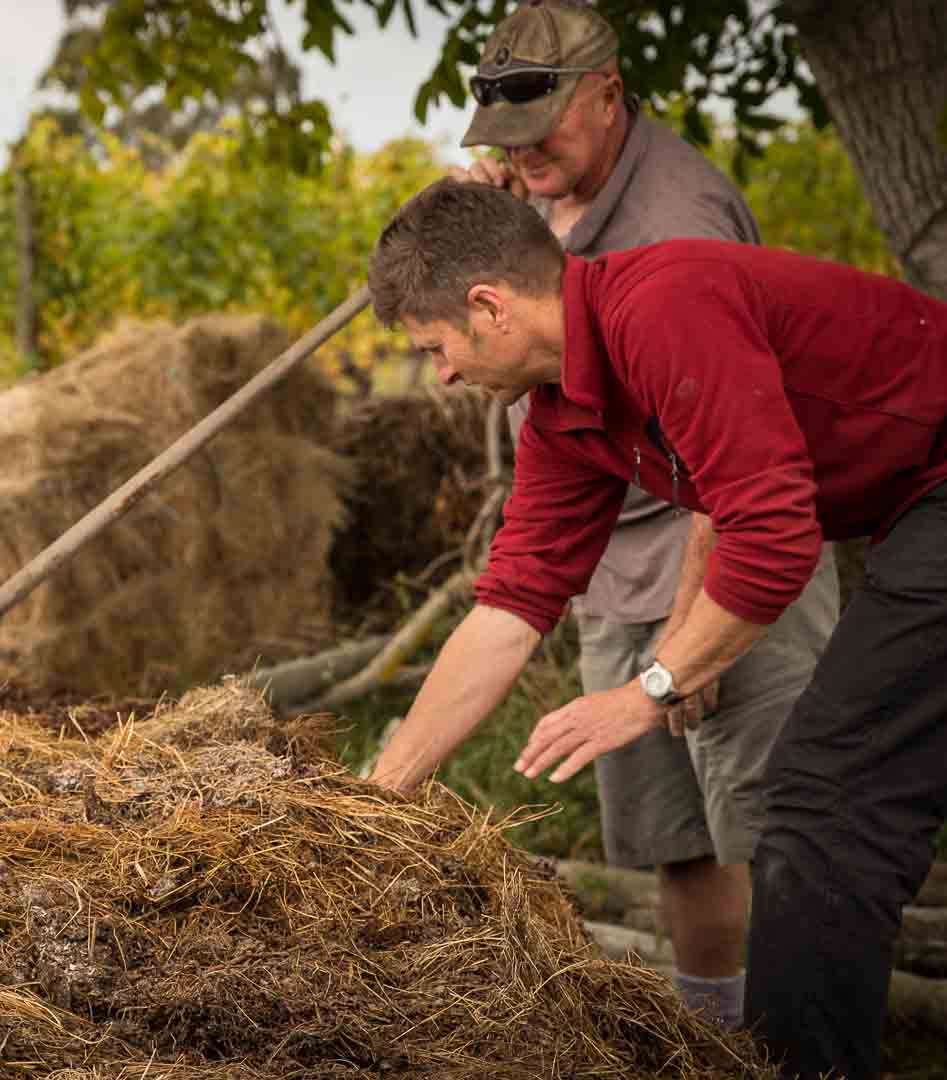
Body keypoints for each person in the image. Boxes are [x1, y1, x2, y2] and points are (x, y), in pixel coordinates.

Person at [365, 177, 947, 1080]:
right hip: (912, 509)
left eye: (435, 346)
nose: (439, 373)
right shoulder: (560, 413)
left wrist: (650, 688)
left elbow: (772, 534)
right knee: (831, 795)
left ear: (489, 308)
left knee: (822, 803)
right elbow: (512, 603)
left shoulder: (663, 306)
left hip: (937, 485)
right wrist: (380, 797)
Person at [432, 0, 839, 1030]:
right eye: (503, 139)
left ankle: (806, 1042)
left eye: (540, 132)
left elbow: (740, 482)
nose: (520, 154)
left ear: (606, 95)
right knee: (674, 839)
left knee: (770, 827)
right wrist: (491, 212)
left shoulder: (677, 220)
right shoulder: (541, 196)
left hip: (719, 550)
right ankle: (712, 1038)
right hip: (611, 552)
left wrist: (679, 647)